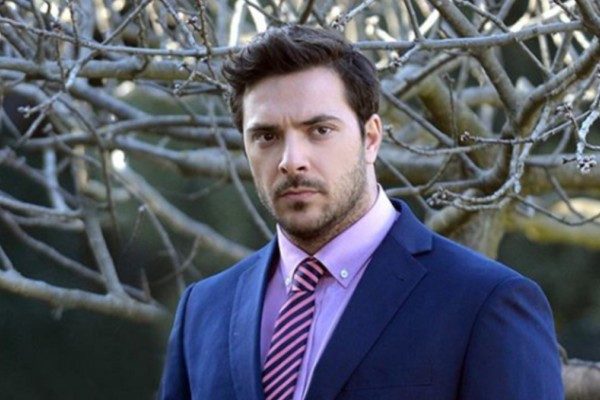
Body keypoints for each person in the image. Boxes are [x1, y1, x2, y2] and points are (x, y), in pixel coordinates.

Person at [158, 25, 563, 400]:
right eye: (266, 136)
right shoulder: (204, 310)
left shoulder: (484, 303)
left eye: (319, 130)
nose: (291, 160)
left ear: (370, 138)